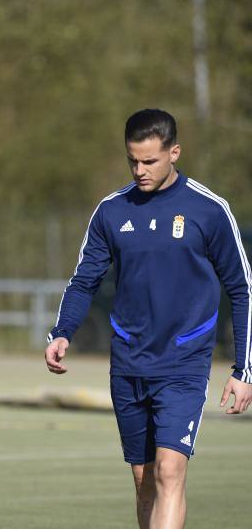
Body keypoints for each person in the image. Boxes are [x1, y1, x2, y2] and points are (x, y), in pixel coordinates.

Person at [45, 108, 252, 529]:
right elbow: (84, 280)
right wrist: (62, 332)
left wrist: (243, 369)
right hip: (128, 362)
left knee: (169, 472)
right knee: (144, 482)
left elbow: (243, 288)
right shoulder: (111, 210)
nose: (140, 170)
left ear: (174, 152)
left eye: (150, 161)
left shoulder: (209, 210)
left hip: (184, 362)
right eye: (132, 161)